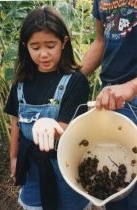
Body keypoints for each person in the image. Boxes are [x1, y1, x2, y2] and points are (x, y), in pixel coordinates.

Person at [4, 6, 91, 210]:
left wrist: (49, 125)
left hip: (65, 168)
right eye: (35, 47)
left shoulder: (76, 81)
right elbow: (15, 123)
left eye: (50, 45)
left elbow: (68, 126)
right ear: (25, 46)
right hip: (32, 168)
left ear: (64, 43)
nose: (43, 54)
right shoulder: (21, 83)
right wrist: (14, 158)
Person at [81, 0, 137, 210]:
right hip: (111, 94)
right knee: (118, 194)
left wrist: (131, 87)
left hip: (132, 92)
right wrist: (71, 79)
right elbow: (100, 41)